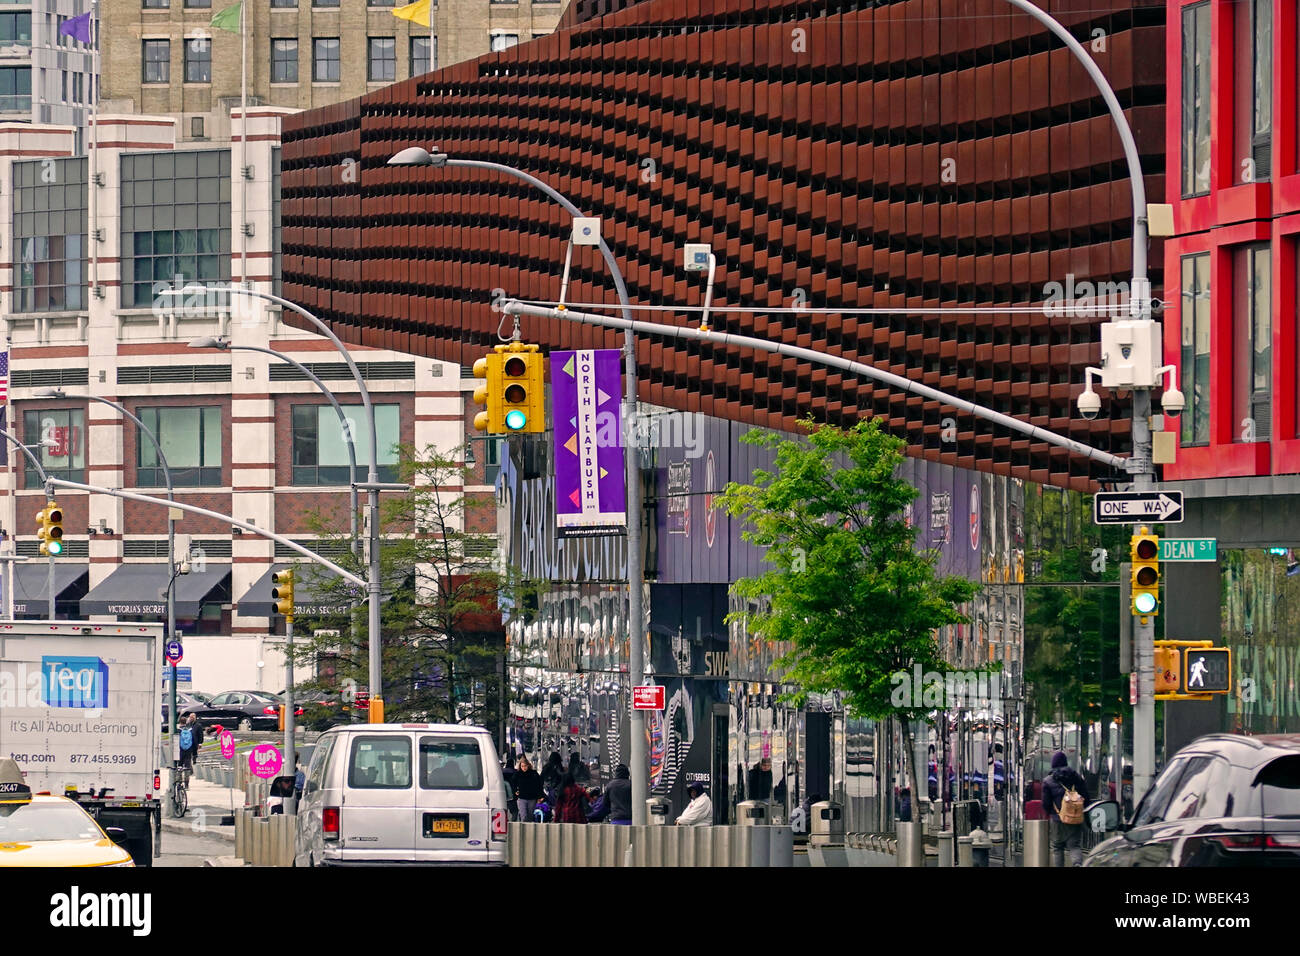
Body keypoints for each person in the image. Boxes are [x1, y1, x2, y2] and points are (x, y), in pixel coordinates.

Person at [1041, 750, 1090, 867]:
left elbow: (1046, 803)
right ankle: (1077, 864)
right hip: (1075, 819)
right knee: (1074, 846)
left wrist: (1051, 813)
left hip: (1057, 820)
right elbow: (1086, 797)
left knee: (1057, 847)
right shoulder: (1076, 777)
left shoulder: (1048, 781)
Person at [514, 756, 544, 824]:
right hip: (522, 798)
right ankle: (523, 828)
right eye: (522, 766)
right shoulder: (518, 774)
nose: (524, 768)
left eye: (525, 766)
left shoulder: (534, 773)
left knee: (530, 817)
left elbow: (539, 785)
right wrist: (515, 790)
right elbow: (513, 783)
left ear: (528, 765)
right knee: (524, 816)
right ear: (520, 766)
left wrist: (540, 796)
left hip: (532, 798)